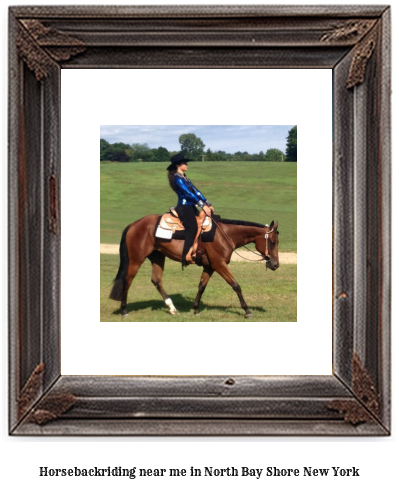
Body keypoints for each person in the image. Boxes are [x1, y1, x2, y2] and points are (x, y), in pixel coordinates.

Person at [166, 153, 214, 267]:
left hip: (191, 206)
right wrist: (202, 206)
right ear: (178, 165)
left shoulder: (185, 178)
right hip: (183, 207)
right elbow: (188, 194)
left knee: (204, 222)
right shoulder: (178, 179)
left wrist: (207, 203)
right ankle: (185, 256)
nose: (186, 164)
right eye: (184, 163)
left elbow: (196, 191)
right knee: (192, 227)